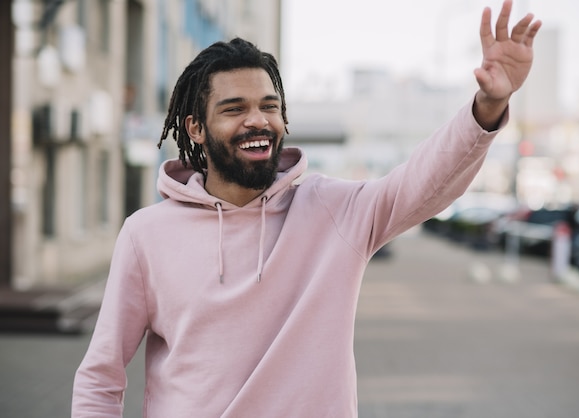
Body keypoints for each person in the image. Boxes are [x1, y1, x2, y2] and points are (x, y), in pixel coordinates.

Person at [72, 1, 541, 416]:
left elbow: (425, 183)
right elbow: (101, 376)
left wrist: (486, 105)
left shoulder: (334, 210)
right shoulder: (146, 234)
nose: (258, 120)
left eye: (269, 106)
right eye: (234, 108)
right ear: (195, 128)